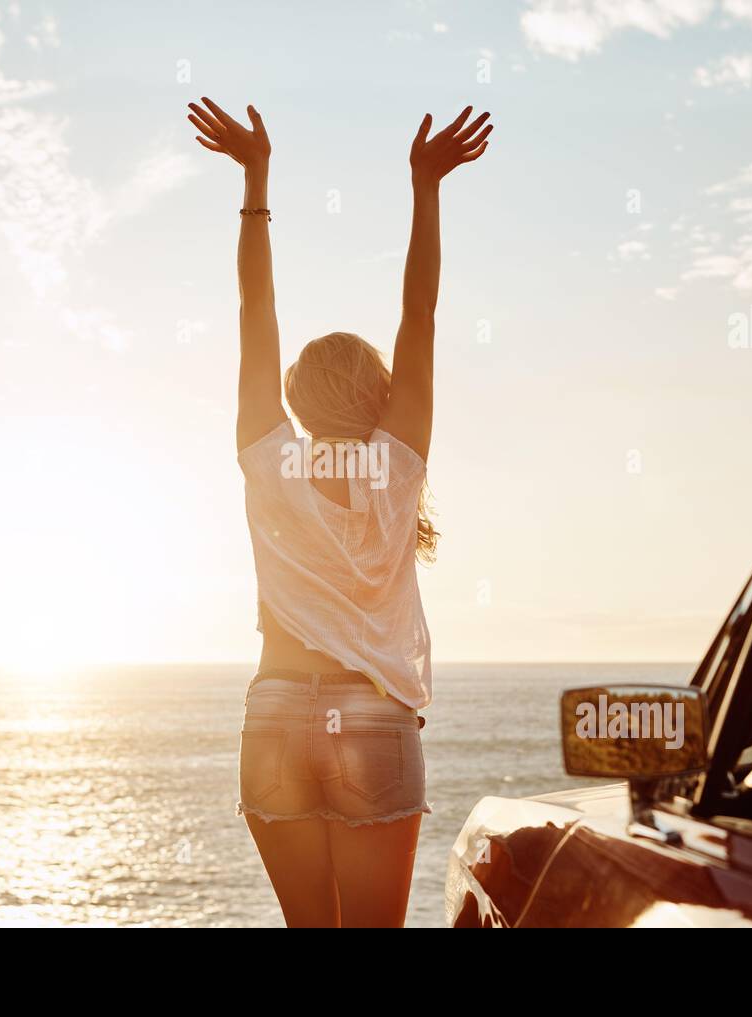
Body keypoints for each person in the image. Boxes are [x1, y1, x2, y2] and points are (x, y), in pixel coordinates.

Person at [187, 96, 492, 927]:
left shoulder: (270, 458)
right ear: (377, 389)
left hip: (277, 710)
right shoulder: (395, 462)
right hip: (372, 717)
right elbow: (419, 314)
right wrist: (426, 187)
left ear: (298, 397)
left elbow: (255, 315)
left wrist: (256, 178)